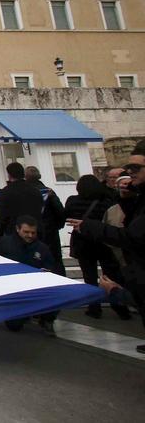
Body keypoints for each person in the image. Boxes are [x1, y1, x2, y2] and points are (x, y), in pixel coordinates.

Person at [69, 148, 145, 354]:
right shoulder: (112, 198)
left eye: (135, 168)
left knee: (93, 276)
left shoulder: (76, 201)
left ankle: (104, 303)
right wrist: (129, 198)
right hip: (105, 246)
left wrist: (88, 226)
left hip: (99, 243)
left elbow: (131, 235)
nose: (130, 172)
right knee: (107, 275)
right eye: (128, 168)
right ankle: (119, 306)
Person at [64, 174, 129, 319]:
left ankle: (94, 307)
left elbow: (66, 216)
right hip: (102, 241)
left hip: (83, 243)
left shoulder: (72, 201)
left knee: (89, 277)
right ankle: (119, 305)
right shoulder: (106, 202)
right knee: (111, 274)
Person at [0, 216, 60, 337]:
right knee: (14, 326)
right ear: (17, 229)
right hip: (13, 291)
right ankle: (21, 314)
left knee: (58, 292)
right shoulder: (4, 244)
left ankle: (47, 319)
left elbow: (53, 268)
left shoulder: (42, 248)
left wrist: (48, 272)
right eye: (26, 232)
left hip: (36, 289)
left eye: (33, 233)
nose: (30, 235)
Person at [26, 165, 67, 278]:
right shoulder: (49, 192)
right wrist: (57, 226)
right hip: (50, 231)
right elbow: (60, 211)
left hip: (30, 231)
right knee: (55, 260)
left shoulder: (25, 193)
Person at [0, 162, 43, 239]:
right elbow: (40, 210)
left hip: (13, 234)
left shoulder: (6, 192)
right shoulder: (35, 191)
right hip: (34, 233)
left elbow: (1, 216)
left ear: (9, 175)